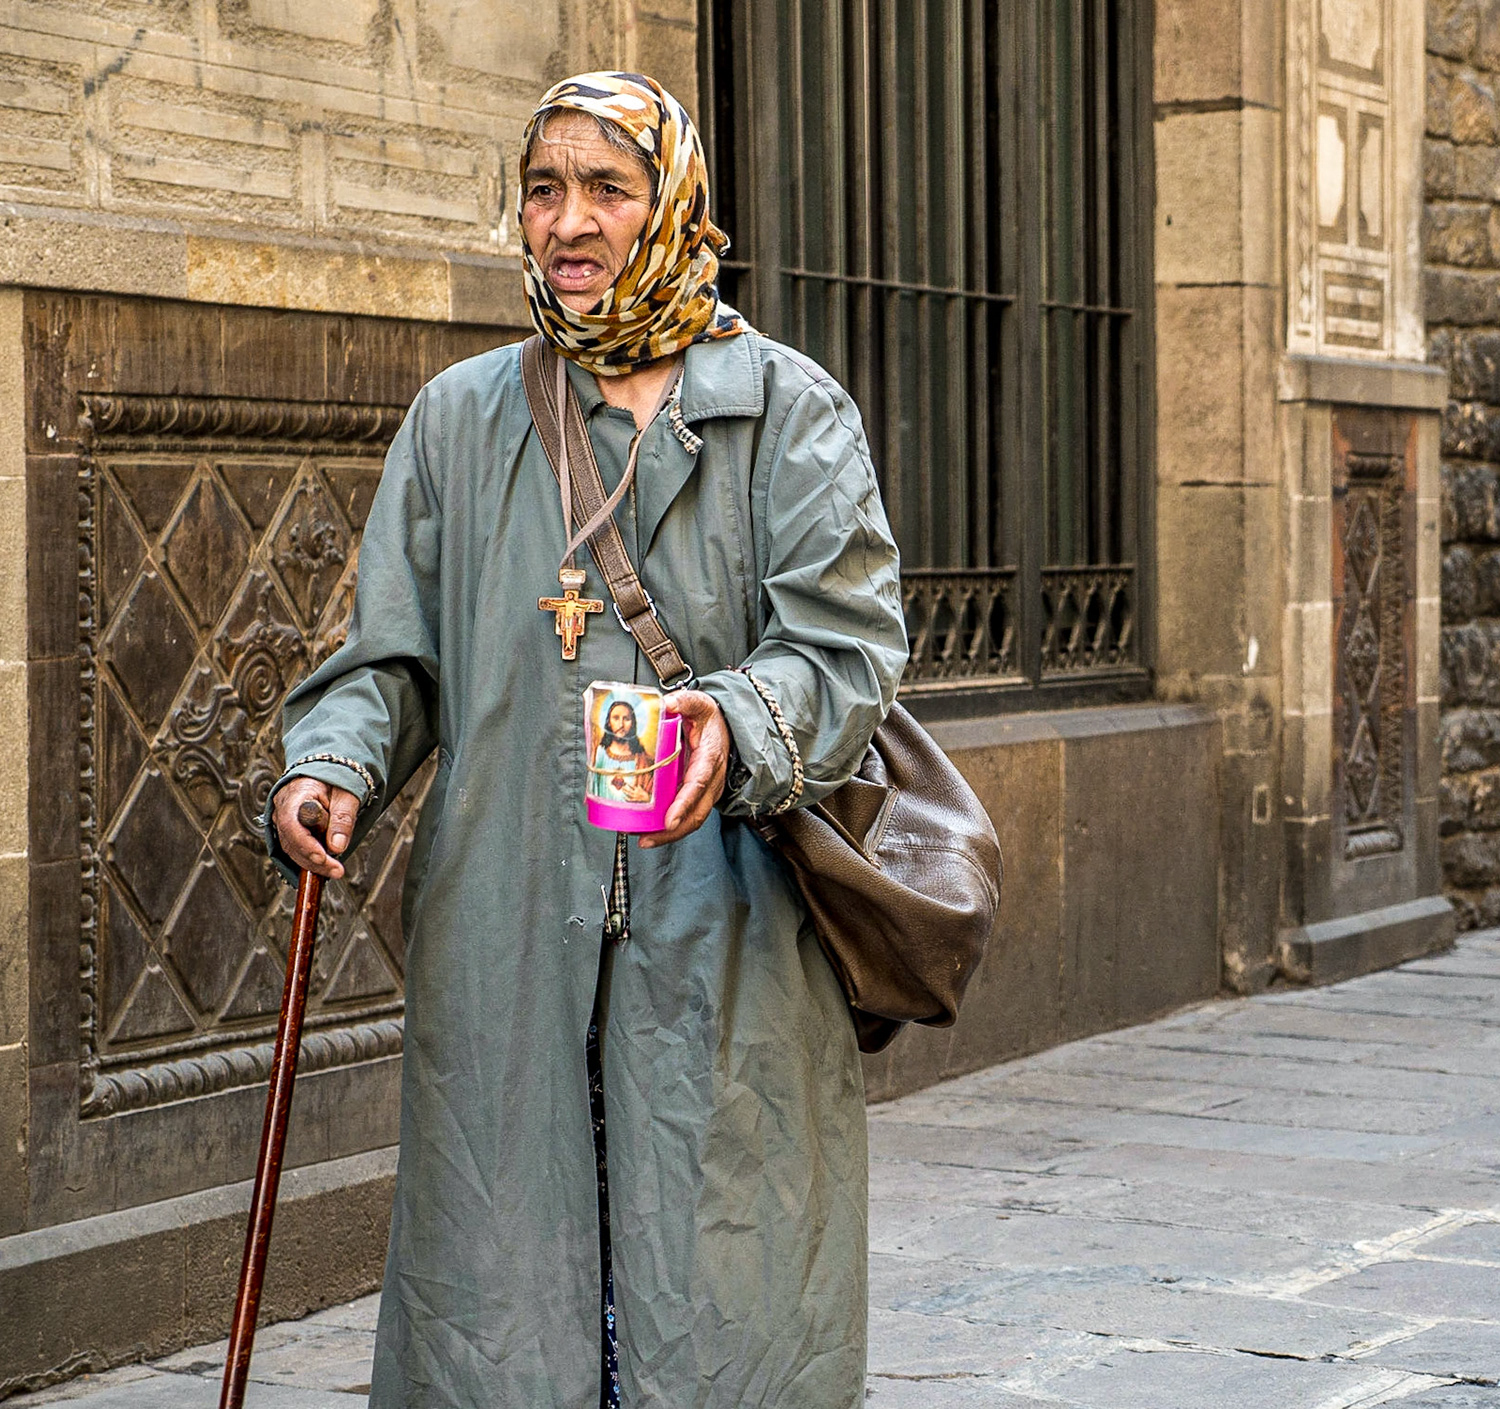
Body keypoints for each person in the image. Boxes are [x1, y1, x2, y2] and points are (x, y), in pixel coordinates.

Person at [268, 71, 906, 1409]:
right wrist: (335, 759)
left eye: (608, 188)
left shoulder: (787, 412)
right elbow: (393, 654)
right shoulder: (460, 419)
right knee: (508, 1281)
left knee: (717, 1280)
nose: (568, 221)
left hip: (723, 936)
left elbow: (847, 651)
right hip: (511, 927)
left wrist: (732, 725)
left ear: (671, 208)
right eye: (544, 188)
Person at [590, 698, 656, 805]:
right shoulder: (599, 753)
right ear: (608, 723)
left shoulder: (645, 761)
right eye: (616, 718)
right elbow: (591, 787)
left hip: (633, 819)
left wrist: (647, 798)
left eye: (626, 719)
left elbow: (660, 797)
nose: (621, 724)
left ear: (633, 724)